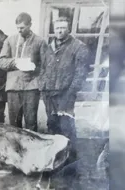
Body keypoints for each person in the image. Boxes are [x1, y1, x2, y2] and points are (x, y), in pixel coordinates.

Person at [38, 16, 91, 162]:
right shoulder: (49, 47)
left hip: (66, 94)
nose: (60, 31)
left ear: (68, 29)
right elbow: (42, 68)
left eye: (63, 28)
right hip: (49, 94)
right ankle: (55, 157)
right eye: (57, 28)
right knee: (52, 125)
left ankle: (71, 159)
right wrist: (42, 86)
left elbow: (81, 73)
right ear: (54, 30)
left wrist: (70, 92)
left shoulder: (78, 47)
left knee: (66, 126)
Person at [0, 12, 47, 131]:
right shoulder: (10, 40)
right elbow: (1, 61)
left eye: (22, 28)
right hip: (13, 87)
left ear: (30, 25)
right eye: (18, 28)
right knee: (14, 125)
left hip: (31, 88)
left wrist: (34, 67)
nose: (19, 30)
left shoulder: (40, 41)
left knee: (31, 123)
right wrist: (16, 62)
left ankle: (32, 149)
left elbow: (46, 65)